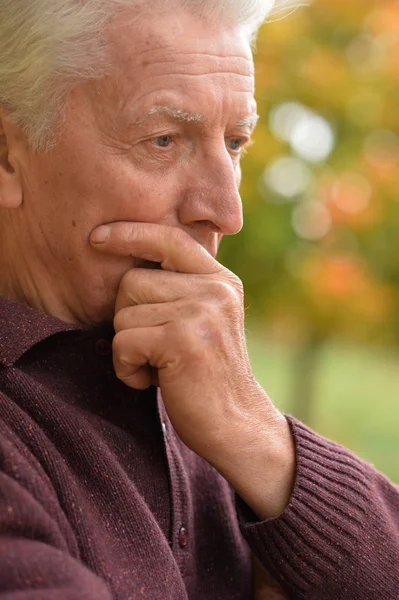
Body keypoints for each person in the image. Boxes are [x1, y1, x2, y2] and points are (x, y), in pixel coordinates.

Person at [0, 1, 397, 598]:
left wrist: (258, 437)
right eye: (164, 140)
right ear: (7, 153)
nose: (225, 212)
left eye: (235, 143)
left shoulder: (198, 385)